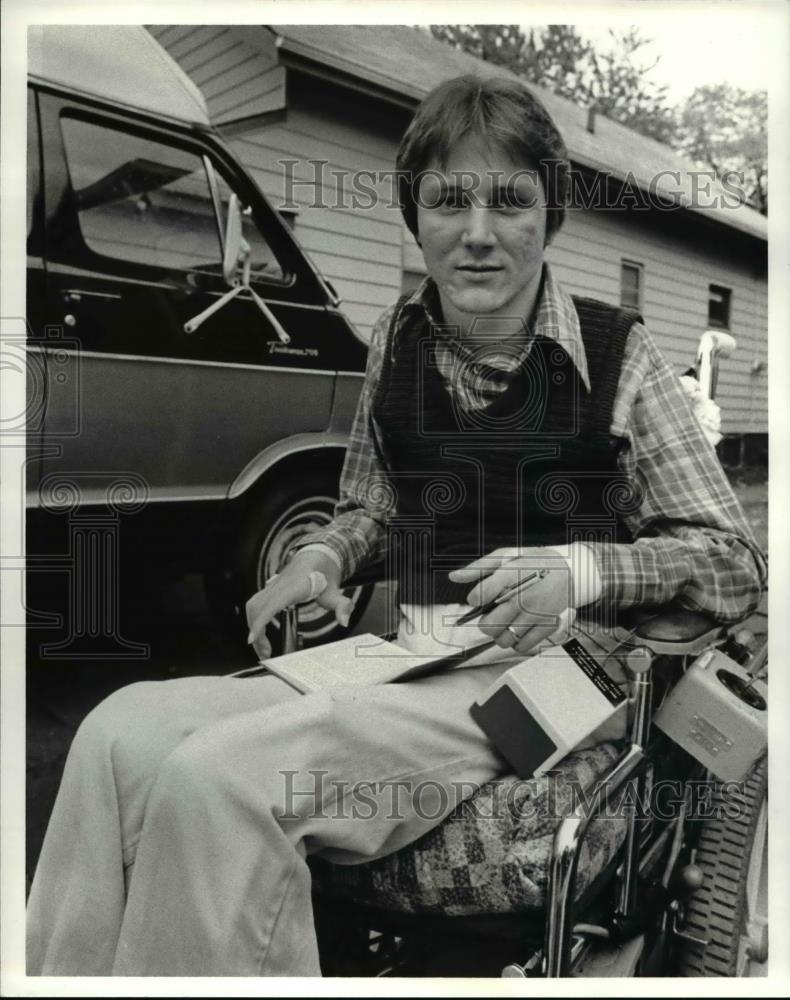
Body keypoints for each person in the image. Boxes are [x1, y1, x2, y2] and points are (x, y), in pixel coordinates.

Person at [27, 74, 766, 977]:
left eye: (511, 199)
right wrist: (320, 559)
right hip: (412, 647)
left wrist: (578, 570)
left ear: (552, 213)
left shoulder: (619, 354)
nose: (479, 231)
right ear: (415, 213)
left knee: (221, 779)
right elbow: (371, 508)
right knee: (119, 732)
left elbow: (734, 565)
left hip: (562, 682)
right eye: (449, 199)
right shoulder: (396, 340)